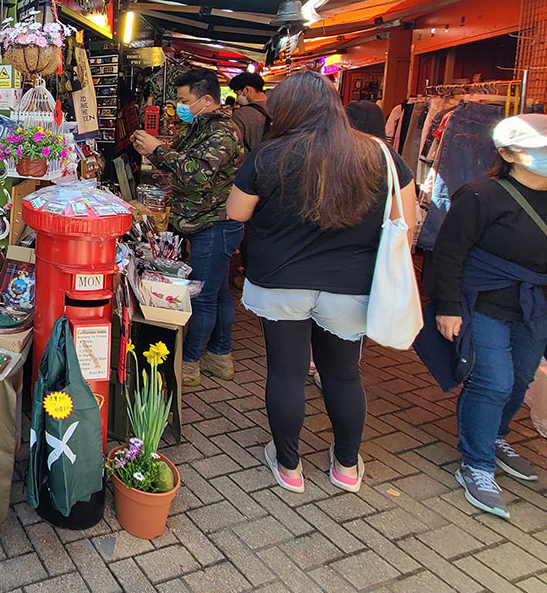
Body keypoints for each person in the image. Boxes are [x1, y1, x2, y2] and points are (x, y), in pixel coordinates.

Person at [226, 71, 416, 494]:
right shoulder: (378, 155)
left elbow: (236, 212)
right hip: (349, 285)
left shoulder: (269, 155)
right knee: (344, 375)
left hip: (280, 282)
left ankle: (289, 465)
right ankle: (346, 465)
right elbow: (408, 218)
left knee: (287, 373)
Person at [433, 113, 547, 519]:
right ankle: (477, 463)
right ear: (509, 153)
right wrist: (447, 306)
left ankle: (497, 436)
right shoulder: (482, 195)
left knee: (521, 377)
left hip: (533, 307)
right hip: (483, 302)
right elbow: (449, 252)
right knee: (493, 380)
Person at [132, 68, 245, 386]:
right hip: (199, 219)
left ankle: (191, 362)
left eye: (184, 100)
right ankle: (220, 356)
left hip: (215, 222)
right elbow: (180, 165)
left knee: (204, 296)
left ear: (207, 99)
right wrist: (152, 153)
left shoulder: (222, 132)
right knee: (219, 292)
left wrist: (157, 148)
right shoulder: (196, 126)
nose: (178, 106)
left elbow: (196, 175)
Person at [228, 71, 270, 151]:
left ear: (247, 90)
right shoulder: (278, 108)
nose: (237, 98)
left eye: (237, 94)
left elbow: (234, 146)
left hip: (250, 161)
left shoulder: (241, 114)